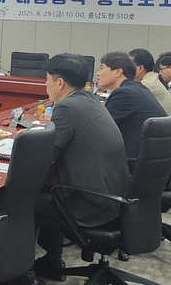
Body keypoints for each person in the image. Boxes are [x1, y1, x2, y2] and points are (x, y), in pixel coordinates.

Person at [33, 53, 129, 282]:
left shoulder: (66, 108)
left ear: (59, 82)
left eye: (46, 79)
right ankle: (53, 259)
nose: (45, 85)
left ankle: (24, 271)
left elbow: (44, 158)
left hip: (93, 204)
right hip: (117, 199)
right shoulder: (90, 100)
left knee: (21, 202)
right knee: (50, 189)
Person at [97, 52, 167, 158]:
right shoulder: (138, 88)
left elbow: (99, 128)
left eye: (102, 68)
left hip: (133, 159)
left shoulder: (124, 94)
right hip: (152, 157)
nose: (98, 73)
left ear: (118, 72)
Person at [128, 48, 171, 115]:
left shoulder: (147, 84)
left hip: (158, 121)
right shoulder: (152, 79)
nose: (125, 68)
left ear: (140, 68)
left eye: (129, 65)